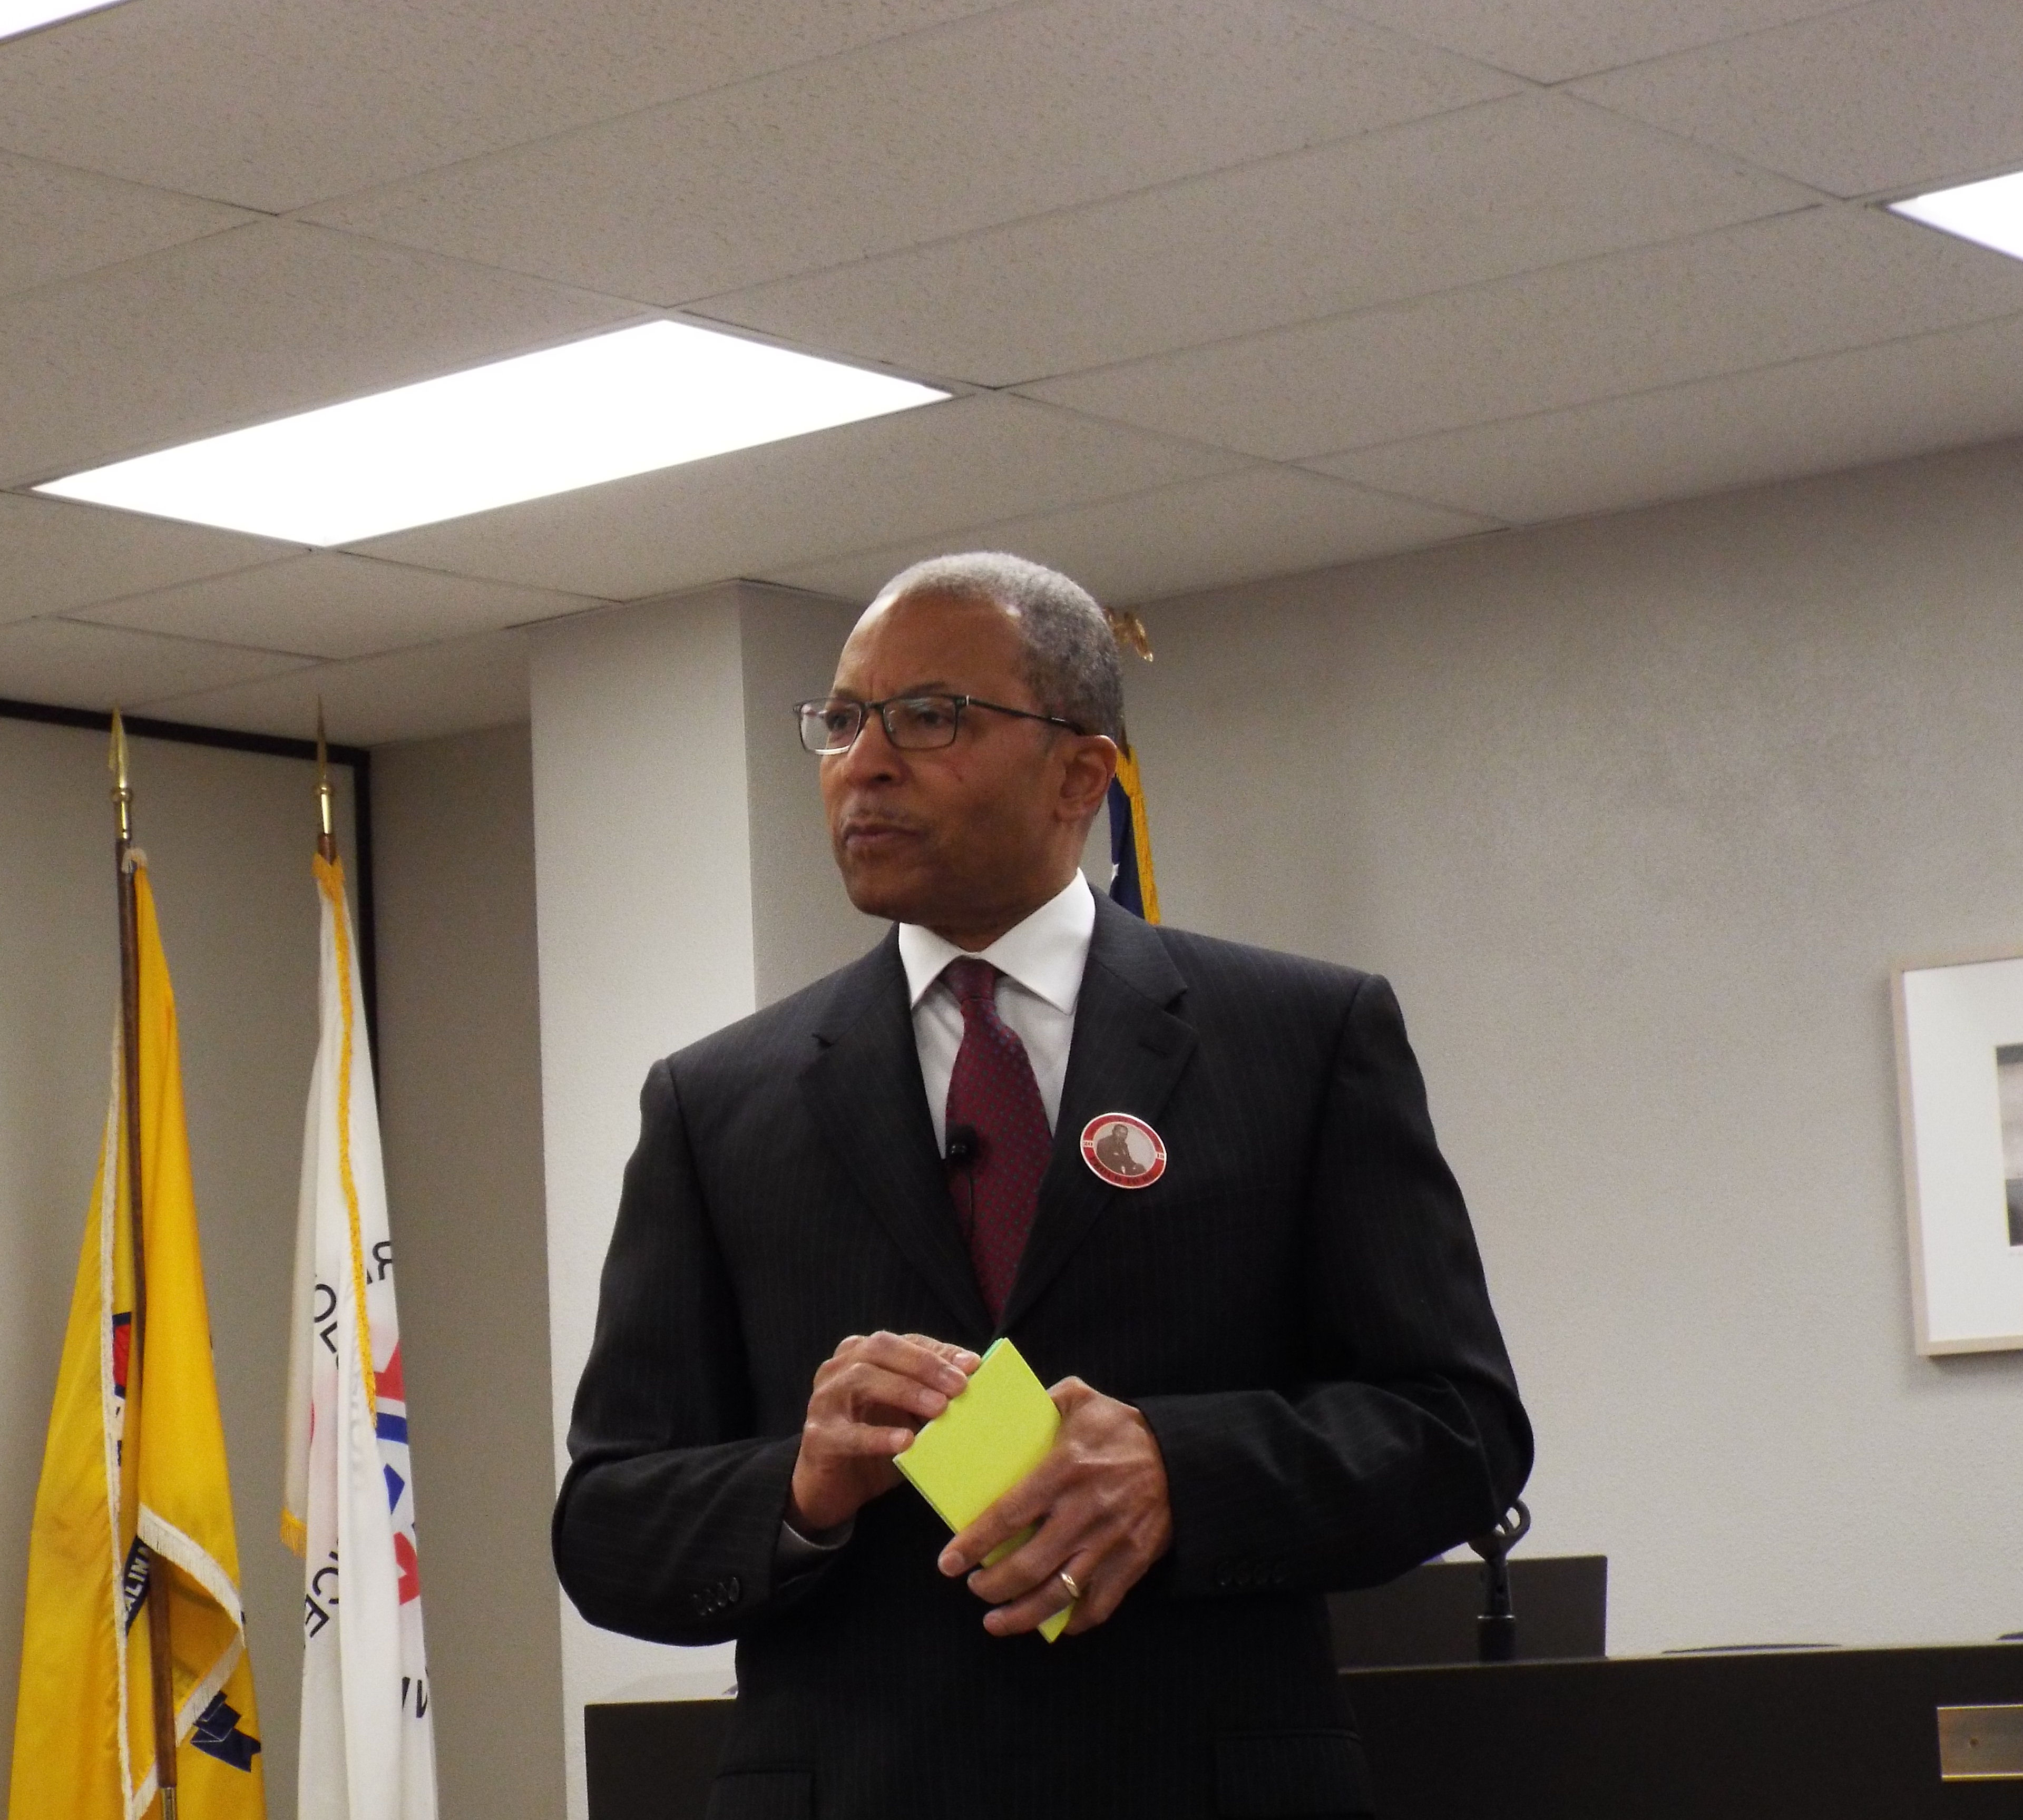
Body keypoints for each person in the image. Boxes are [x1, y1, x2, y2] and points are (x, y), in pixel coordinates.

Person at [553, 553, 1531, 1820]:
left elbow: (1459, 1429)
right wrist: (798, 1486)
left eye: (929, 716)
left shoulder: (1300, 1037)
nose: (864, 763)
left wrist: (1181, 1470)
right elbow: (610, 1523)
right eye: (842, 720)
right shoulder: (715, 1101)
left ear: (1081, 773)